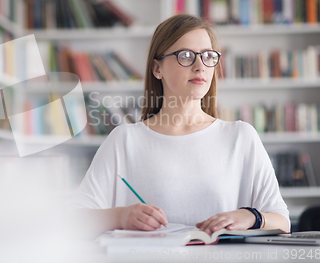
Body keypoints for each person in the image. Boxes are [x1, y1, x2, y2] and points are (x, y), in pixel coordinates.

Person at [68, 14, 290, 238]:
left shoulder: (241, 136)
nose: (199, 66)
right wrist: (120, 216)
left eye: (208, 56)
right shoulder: (125, 139)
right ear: (157, 68)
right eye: (185, 55)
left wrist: (252, 216)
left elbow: (282, 222)